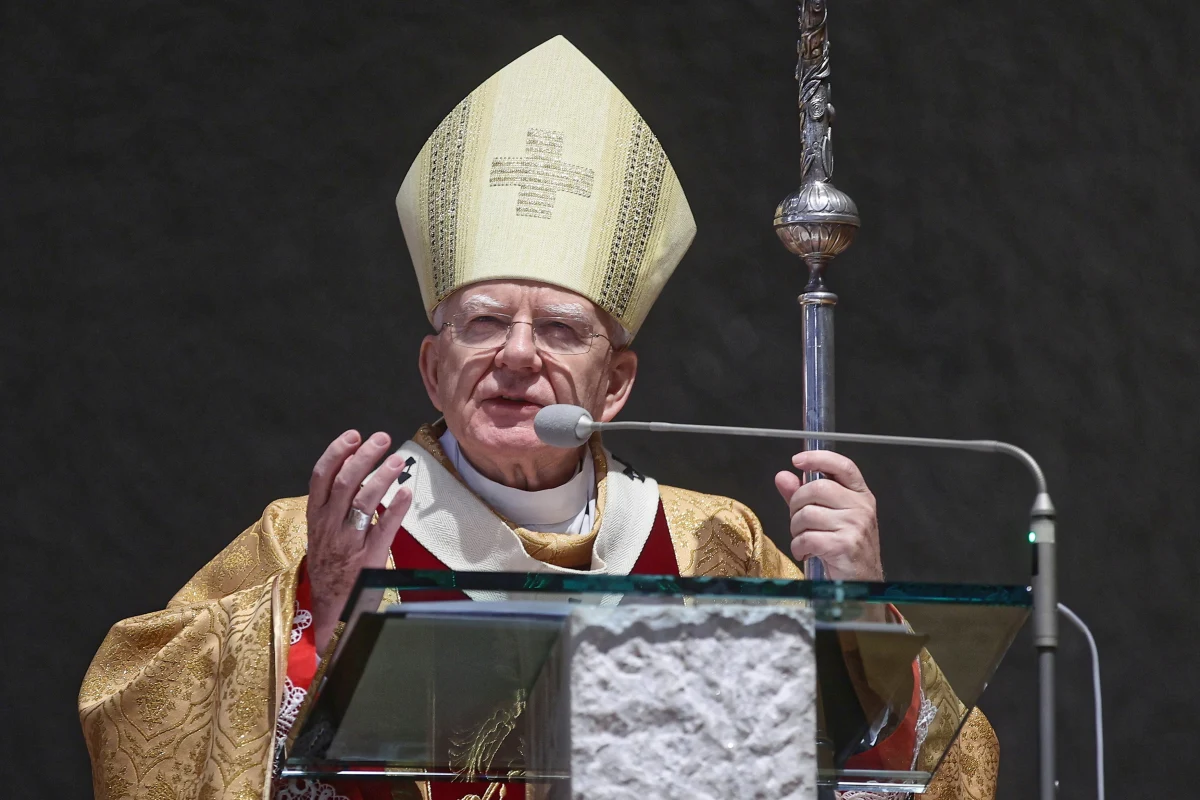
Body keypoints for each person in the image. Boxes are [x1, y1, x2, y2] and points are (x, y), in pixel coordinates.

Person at [79, 36, 997, 800]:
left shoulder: (712, 544)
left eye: (560, 328)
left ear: (616, 386)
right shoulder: (321, 539)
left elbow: (920, 775)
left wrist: (864, 609)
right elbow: (131, 714)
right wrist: (312, 621)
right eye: (483, 324)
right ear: (434, 371)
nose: (518, 355)